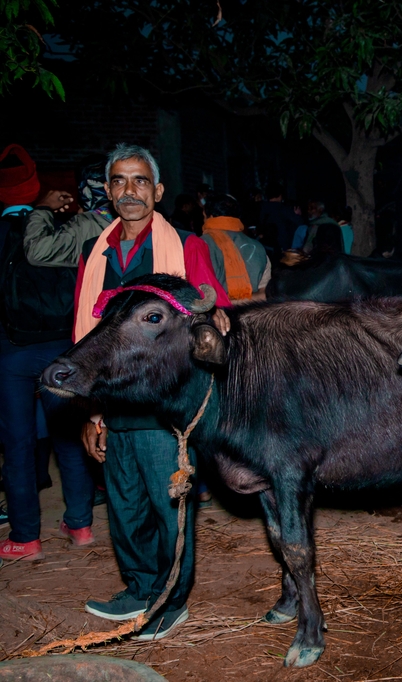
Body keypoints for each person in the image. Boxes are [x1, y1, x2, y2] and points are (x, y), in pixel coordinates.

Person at [74, 143, 231, 641]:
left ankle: (171, 600)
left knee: (170, 510)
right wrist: (93, 411)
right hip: (115, 403)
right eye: (119, 181)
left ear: (158, 191)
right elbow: (85, 337)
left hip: (166, 408)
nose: (130, 191)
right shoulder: (93, 252)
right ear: (108, 191)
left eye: (141, 180)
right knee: (125, 507)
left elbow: (214, 306)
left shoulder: (185, 245)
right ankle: (139, 589)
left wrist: (218, 317)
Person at [0, 144, 97, 563]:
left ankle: (25, 537)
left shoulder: (5, 231)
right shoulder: (67, 228)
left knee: (18, 444)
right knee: (69, 439)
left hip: (11, 352)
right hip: (62, 346)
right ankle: (79, 524)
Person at [200, 193, 271, 302]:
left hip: (215, 316)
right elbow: (264, 294)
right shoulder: (258, 247)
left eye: (203, 216)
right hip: (252, 315)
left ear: (208, 216)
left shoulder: (199, 244)